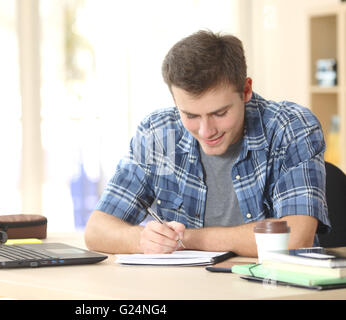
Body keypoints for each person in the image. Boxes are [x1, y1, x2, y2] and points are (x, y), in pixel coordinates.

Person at [84, 30, 331, 257]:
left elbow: (295, 238)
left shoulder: (291, 127)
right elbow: (97, 230)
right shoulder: (157, 134)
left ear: (246, 91)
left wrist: (186, 238)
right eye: (190, 116)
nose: (206, 131)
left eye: (220, 113)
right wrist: (144, 239)